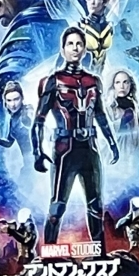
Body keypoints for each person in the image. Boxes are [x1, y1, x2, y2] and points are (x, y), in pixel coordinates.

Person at [32, 25, 119, 248]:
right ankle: (49, 254)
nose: (75, 48)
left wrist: (112, 142)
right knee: (57, 206)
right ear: (63, 49)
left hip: (89, 149)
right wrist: (37, 152)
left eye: (79, 44)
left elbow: (100, 115)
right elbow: (39, 120)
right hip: (64, 150)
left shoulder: (93, 81)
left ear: (85, 49)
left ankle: (100, 253)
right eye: (70, 44)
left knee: (96, 205)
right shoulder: (53, 81)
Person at [0, 79, 33, 202]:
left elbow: (33, 123)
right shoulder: (12, 120)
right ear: (5, 102)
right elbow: (9, 143)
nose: (13, 104)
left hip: (39, 162)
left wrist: (29, 119)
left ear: (22, 99)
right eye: (9, 100)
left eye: (16, 99)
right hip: (28, 164)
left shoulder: (28, 111)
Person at [76, 0, 115, 73]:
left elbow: (103, 56)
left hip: (98, 75)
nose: (92, 2)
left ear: (105, 2)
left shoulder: (109, 27)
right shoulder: (79, 26)